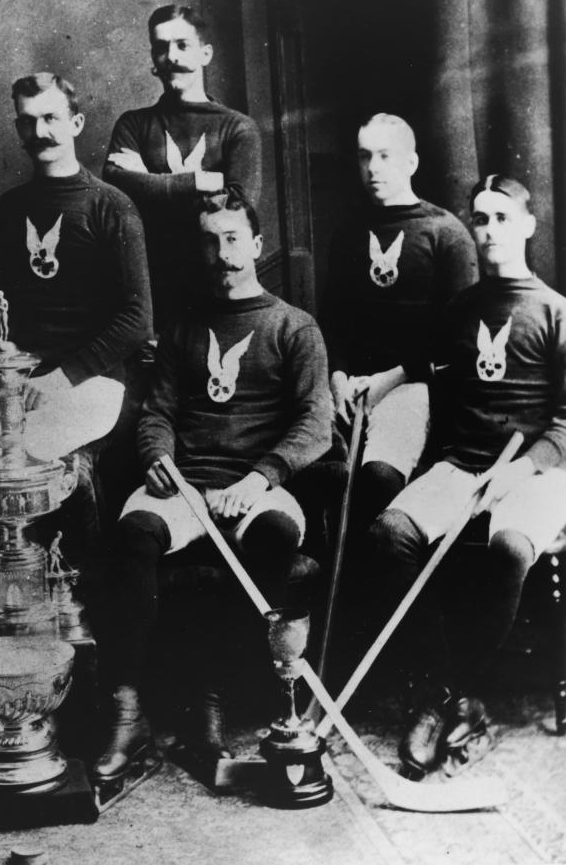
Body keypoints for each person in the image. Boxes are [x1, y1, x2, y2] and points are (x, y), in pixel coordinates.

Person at [94, 187, 330, 781]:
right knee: (133, 538)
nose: (222, 254)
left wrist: (262, 478)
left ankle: (212, 698)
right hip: (185, 483)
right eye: (209, 241)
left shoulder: (294, 327)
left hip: (258, 484)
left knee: (276, 535)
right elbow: (158, 412)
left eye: (232, 239)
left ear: (254, 244)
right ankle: (127, 715)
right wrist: (156, 457)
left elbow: (315, 423)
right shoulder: (183, 327)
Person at [357, 174, 566, 779]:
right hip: (464, 461)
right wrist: (385, 382)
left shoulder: (555, 312)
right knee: (388, 531)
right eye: (481, 218)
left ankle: (447, 695)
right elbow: (427, 365)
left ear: (527, 225)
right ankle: (448, 696)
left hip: (538, 469)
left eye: (503, 218)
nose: (491, 230)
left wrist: (524, 468)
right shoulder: (461, 309)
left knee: (507, 549)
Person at [0, 72, 152, 465]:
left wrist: (61, 379)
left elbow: (138, 319)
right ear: (18, 128)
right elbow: (4, 304)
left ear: (76, 123)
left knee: (21, 465)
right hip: (22, 382)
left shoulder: (111, 206)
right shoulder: (11, 208)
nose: (40, 131)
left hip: (90, 381)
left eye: (51, 118)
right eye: (28, 121)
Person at [323, 114, 477, 531]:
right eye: (365, 156)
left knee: (377, 477)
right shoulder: (347, 233)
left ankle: (378, 588)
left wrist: (389, 379)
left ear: (410, 162)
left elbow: (458, 335)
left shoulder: (445, 232)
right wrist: (337, 378)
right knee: (322, 474)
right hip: (348, 386)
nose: (373, 167)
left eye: (385, 156)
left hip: (412, 384)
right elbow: (332, 319)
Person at [103, 4, 261, 328]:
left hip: (218, 287)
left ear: (205, 54)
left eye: (182, 45)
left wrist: (148, 181)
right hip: (150, 285)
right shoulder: (134, 125)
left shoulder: (238, 128)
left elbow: (238, 207)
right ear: (153, 59)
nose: (171, 56)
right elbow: (117, 185)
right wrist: (202, 182)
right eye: (161, 48)